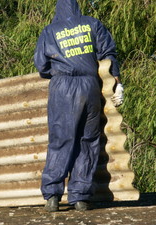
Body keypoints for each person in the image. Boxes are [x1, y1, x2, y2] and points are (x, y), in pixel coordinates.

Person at [34, 0, 123, 212]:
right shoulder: (92, 24)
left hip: (62, 88)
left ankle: (52, 197)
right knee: (88, 140)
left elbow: (41, 65)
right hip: (89, 86)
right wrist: (117, 84)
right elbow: (108, 54)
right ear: (77, 7)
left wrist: (60, 69)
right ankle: (80, 197)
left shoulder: (50, 31)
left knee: (60, 140)